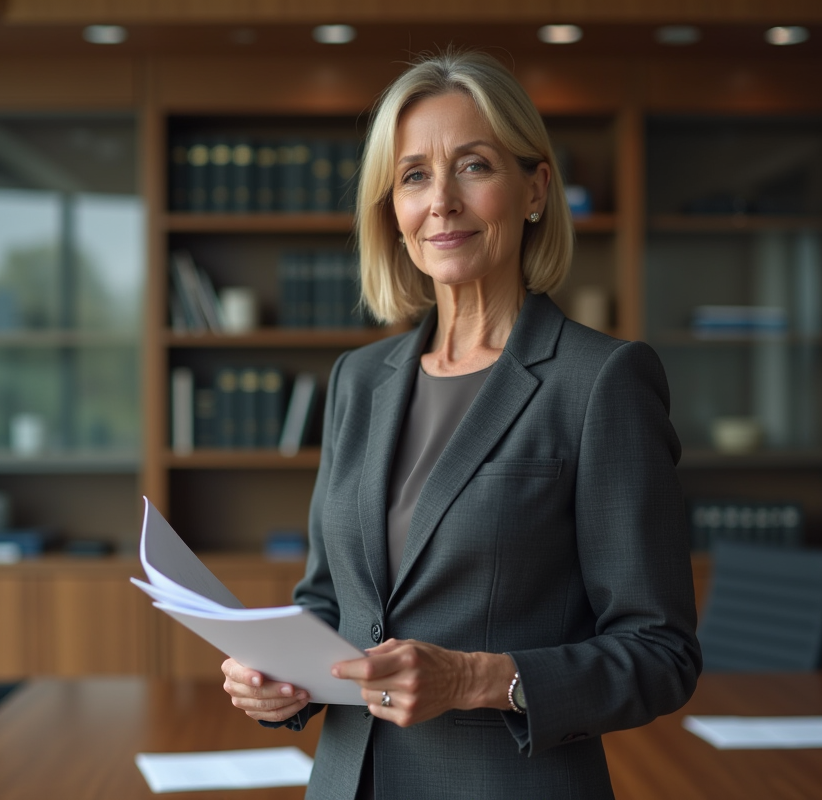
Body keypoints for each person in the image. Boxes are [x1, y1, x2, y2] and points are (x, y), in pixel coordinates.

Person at [222, 50, 701, 799]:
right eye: (413, 175)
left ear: (536, 188)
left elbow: (661, 652)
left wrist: (478, 679)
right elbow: (331, 601)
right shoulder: (359, 380)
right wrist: (285, 678)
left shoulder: (600, 381)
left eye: (472, 165)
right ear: (393, 209)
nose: (440, 200)